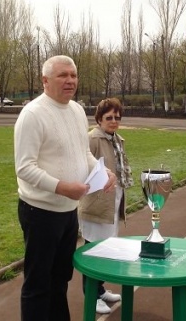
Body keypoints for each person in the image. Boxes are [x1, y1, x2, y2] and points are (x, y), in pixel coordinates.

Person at [14, 55, 117, 321]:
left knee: (60, 280)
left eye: (73, 75)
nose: (70, 80)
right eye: (63, 75)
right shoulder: (33, 114)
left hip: (69, 211)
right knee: (38, 284)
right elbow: (24, 168)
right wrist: (61, 187)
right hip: (40, 212)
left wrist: (101, 170)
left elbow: (82, 152)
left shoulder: (77, 110)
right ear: (45, 80)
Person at [79, 97, 134, 314]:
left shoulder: (117, 139)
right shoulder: (92, 139)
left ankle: (99, 289)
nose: (113, 121)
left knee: (107, 248)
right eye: (109, 117)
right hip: (96, 204)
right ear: (99, 119)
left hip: (114, 202)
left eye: (117, 117)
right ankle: (90, 294)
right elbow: (82, 167)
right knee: (94, 250)